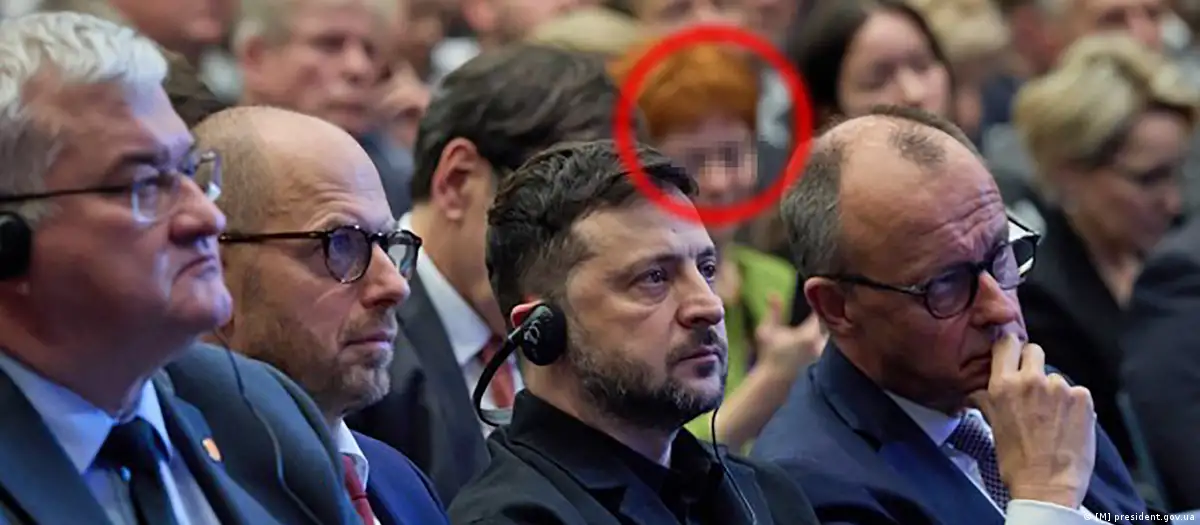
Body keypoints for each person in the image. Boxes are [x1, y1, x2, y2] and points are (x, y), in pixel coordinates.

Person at [0, 12, 355, 525]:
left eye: (190, 171)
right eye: (145, 184)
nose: (206, 216)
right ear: (8, 241)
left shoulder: (261, 408)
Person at [753, 105, 1153, 524]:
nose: (1000, 308)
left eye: (1001, 255)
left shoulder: (1039, 397)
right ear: (837, 307)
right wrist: (1045, 499)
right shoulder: (806, 491)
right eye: (945, 283)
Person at [447, 139, 820, 525]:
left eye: (707, 270)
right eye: (654, 277)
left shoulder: (768, 496)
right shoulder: (511, 518)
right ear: (540, 330)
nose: (709, 306)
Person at [345, 43, 651, 503]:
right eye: (563, 218)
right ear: (458, 180)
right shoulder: (356, 329)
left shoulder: (560, 334)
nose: (589, 254)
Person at [193, 106, 449, 525]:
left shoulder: (402, 481)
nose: (395, 286)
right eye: (341, 244)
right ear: (215, 273)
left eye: (389, 244)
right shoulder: (180, 494)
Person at [608, 41, 825, 450]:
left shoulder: (776, 278)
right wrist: (771, 383)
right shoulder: (631, 297)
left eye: (733, 155)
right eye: (692, 162)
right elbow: (653, 463)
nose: (719, 183)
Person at [1011, 33, 1197, 472]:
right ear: (1069, 173)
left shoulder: (1173, 254)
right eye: (1148, 179)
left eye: (1176, 174)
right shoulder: (1041, 302)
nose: (1172, 202)